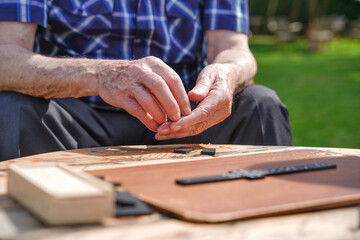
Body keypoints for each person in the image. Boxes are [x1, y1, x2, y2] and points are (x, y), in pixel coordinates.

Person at [0, 0, 292, 161]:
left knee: (260, 104)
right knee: (10, 109)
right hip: (71, 116)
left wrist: (227, 73)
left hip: (184, 120)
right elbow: (6, 58)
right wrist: (103, 76)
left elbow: (233, 49)